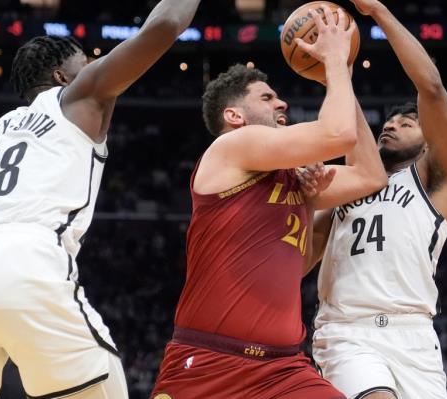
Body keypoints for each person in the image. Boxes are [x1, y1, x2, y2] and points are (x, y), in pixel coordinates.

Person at [0, 1, 202, 398]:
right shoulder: (78, 96)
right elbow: (165, 24)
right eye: (88, 61)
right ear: (62, 75)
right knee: (103, 388)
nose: (99, 65)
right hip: (23, 256)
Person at [151, 6, 387, 398]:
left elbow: (369, 176)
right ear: (234, 115)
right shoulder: (231, 147)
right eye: (267, 97)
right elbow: (339, 134)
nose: (282, 105)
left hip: (282, 370)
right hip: (209, 363)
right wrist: (332, 62)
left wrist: (340, 76)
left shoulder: (298, 179)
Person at [305, 1, 447, 398]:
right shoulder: (344, 184)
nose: (391, 126)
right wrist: (337, 69)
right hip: (348, 329)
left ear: (427, 138)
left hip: (414, 336)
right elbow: (299, 260)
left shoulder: (435, 179)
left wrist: (378, 11)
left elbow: (430, 86)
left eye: (406, 123)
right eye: (389, 122)